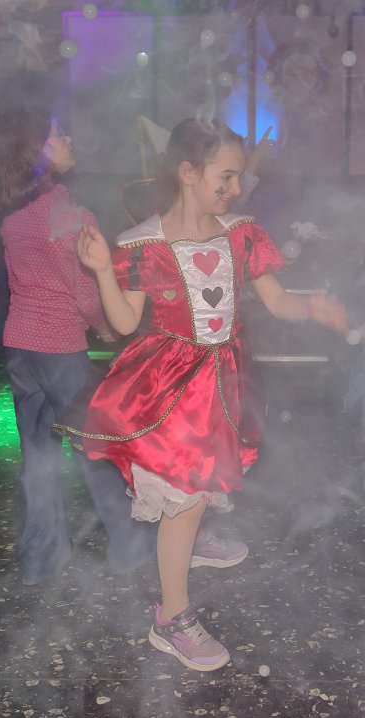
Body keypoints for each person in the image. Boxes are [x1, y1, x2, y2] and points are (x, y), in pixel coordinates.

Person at [53, 118, 349, 670]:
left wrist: (313, 307)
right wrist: (102, 272)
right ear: (188, 173)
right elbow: (123, 324)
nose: (236, 187)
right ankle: (171, 617)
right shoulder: (144, 244)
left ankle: (190, 537)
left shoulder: (240, 234)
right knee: (182, 493)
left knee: (201, 479)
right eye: (226, 176)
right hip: (167, 385)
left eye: (237, 176)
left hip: (221, 380)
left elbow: (278, 300)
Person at [0, 106, 156, 585]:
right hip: (59, 349)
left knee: (38, 458)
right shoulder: (70, 216)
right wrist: (107, 326)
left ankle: (41, 558)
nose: (68, 139)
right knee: (98, 450)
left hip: (20, 346)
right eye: (58, 135)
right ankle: (130, 549)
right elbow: (84, 292)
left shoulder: (12, 215)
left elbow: (25, 281)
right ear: (36, 152)